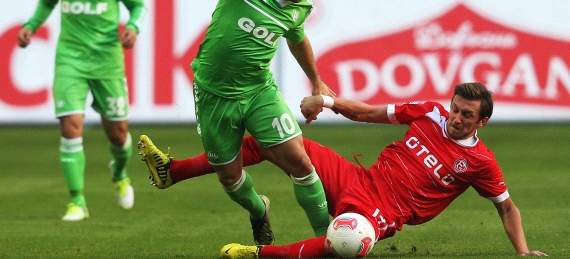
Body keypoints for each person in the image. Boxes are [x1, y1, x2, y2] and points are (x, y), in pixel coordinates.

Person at [138, 83, 547, 258]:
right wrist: (328, 102)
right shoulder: (430, 112)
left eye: (467, 115)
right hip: (359, 179)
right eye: (456, 108)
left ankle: (260, 254)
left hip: (387, 212)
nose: (456, 118)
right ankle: (173, 171)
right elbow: (370, 113)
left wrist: (523, 251)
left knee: (347, 243)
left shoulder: (480, 162)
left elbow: (506, 207)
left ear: (482, 122)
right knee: (274, 143)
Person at [142, 0, 343, 245]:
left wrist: (316, 80)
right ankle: (258, 208)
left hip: (258, 91)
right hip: (213, 93)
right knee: (230, 178)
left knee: (300, 163)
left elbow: (297, 39)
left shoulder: (300, 8)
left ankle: (328, 240)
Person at [17, 0, 145, 221]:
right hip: (70, 60)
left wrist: (134, 27)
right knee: (70, 127)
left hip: (107, 61)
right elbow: (49, 0)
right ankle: (77, 202)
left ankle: (120, 173)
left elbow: (137, 4)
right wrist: (32, 25)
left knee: (118, 133)